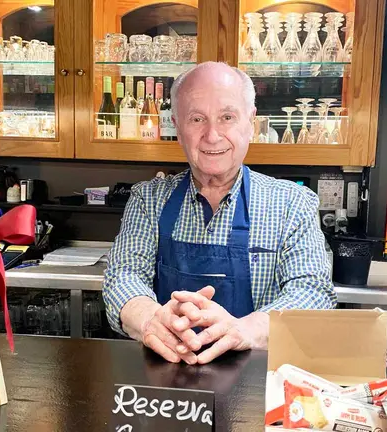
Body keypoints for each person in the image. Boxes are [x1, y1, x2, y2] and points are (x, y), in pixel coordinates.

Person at [103, 62, 337, 365]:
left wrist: (245, 329)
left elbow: (314, 292)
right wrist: (151, 320)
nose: (212, 135)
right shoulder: (147, 200)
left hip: (259, 386)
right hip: (163, 387)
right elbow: (123, 276)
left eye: (227, 117)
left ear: (251, 122)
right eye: (197, 118)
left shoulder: (292, 204)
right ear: (176, 125)